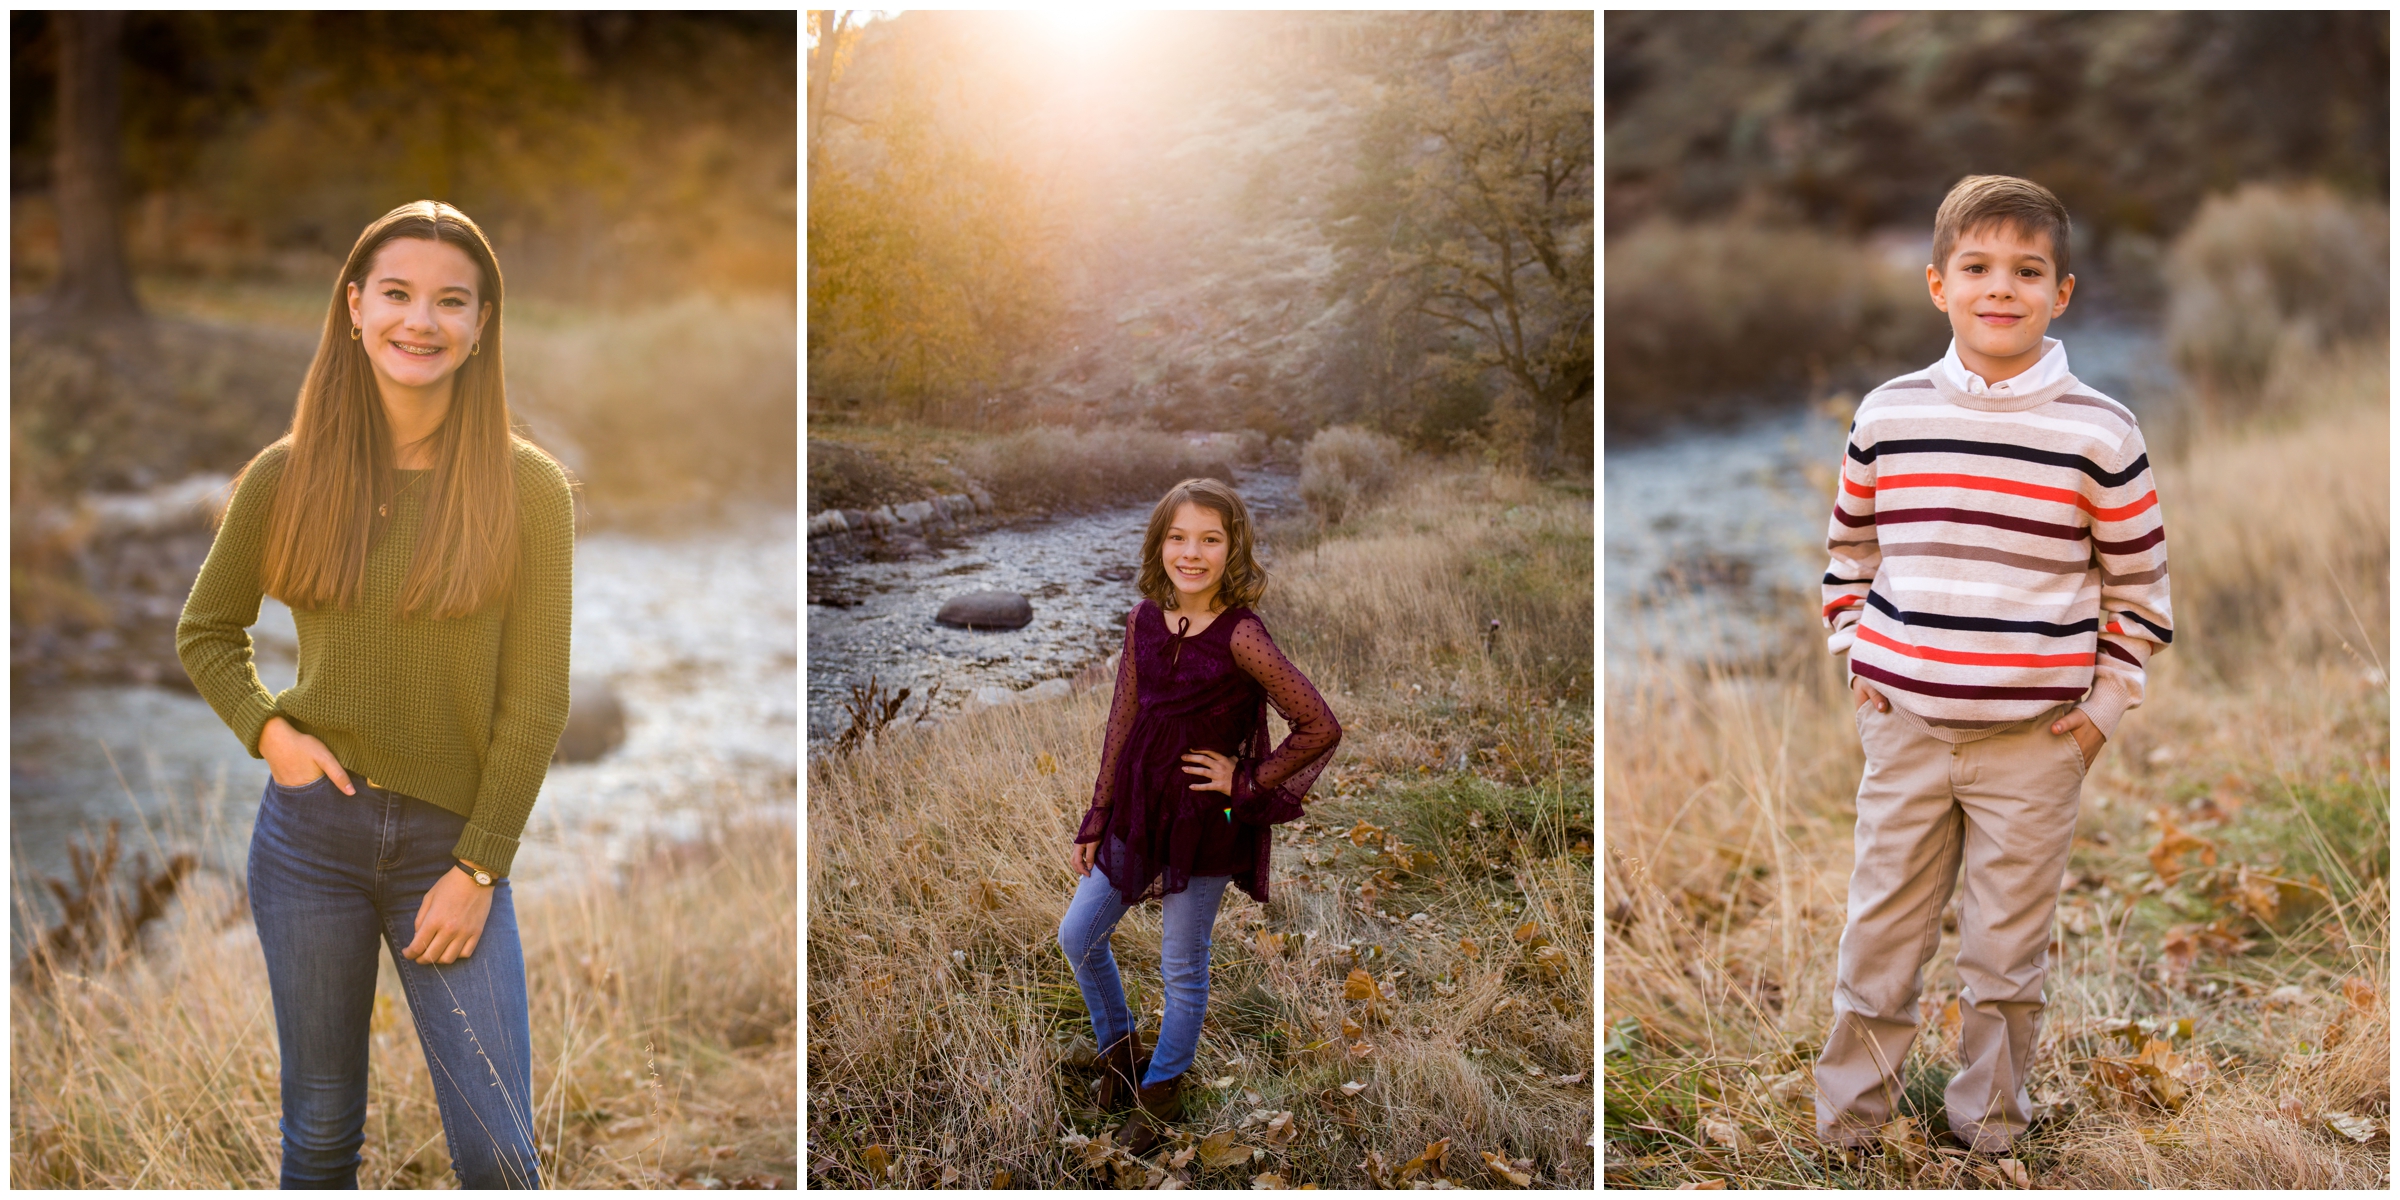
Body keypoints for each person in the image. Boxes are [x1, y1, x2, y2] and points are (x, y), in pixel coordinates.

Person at [177, 199, 575, 1189]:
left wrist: (479, 867)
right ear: (355, 307)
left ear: (481, 325)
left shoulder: (531, 491)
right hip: (308, 846)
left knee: (498, 1152)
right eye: (397, 294)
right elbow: (206, 632)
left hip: (450, 852)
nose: (420, 321)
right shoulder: (285, 475)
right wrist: (273, 736)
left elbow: (538, 699)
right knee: (318, 1140)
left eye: (451, 301)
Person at [1813, 174, 2174, 1154]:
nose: (1999, 288)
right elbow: (1849, 555)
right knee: (1881, 936)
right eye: (1977, 268)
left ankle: (1991, 1132)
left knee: (2006, 956)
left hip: (2035, 743)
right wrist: (1860, 655)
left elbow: (2140, 592)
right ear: (1939, 285)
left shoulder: (2101, 431)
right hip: (1908, 730)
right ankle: (1852, 1128)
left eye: (2027, 271)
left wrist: (2103, 707)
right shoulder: (1889, 415)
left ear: (2061, 293)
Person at [1056, 476, 1342, 1155]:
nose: (1192, 553)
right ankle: (1120, 1053)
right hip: (1137, 808)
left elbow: (1318, 725)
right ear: (1159, 547)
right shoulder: (1142, 619)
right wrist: (1098, 814)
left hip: (1205, 822)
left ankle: (1160, 1093)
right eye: (1178, 537)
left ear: (1231, 547)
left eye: (1209, 539)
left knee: (1182, 963)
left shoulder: (1242, 635)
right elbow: (1122, 717)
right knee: (1078, 935)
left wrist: (1246, 779)